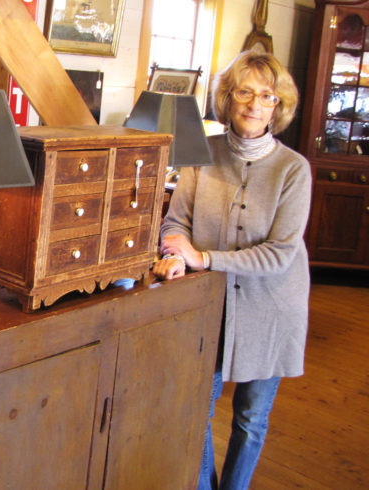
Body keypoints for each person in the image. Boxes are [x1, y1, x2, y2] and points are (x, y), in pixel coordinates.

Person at [152, 50, 312, 490]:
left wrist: (203, 258)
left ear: (278, 106)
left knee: (251, 417)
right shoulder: (201, 155)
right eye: (245, 92)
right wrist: (173, 251)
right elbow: (176, 221)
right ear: (228, 97)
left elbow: (279, 254)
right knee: (197, 407)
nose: (255, 104)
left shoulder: (294, 170)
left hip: (272, 307)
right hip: (211, 305)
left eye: (267, 96)